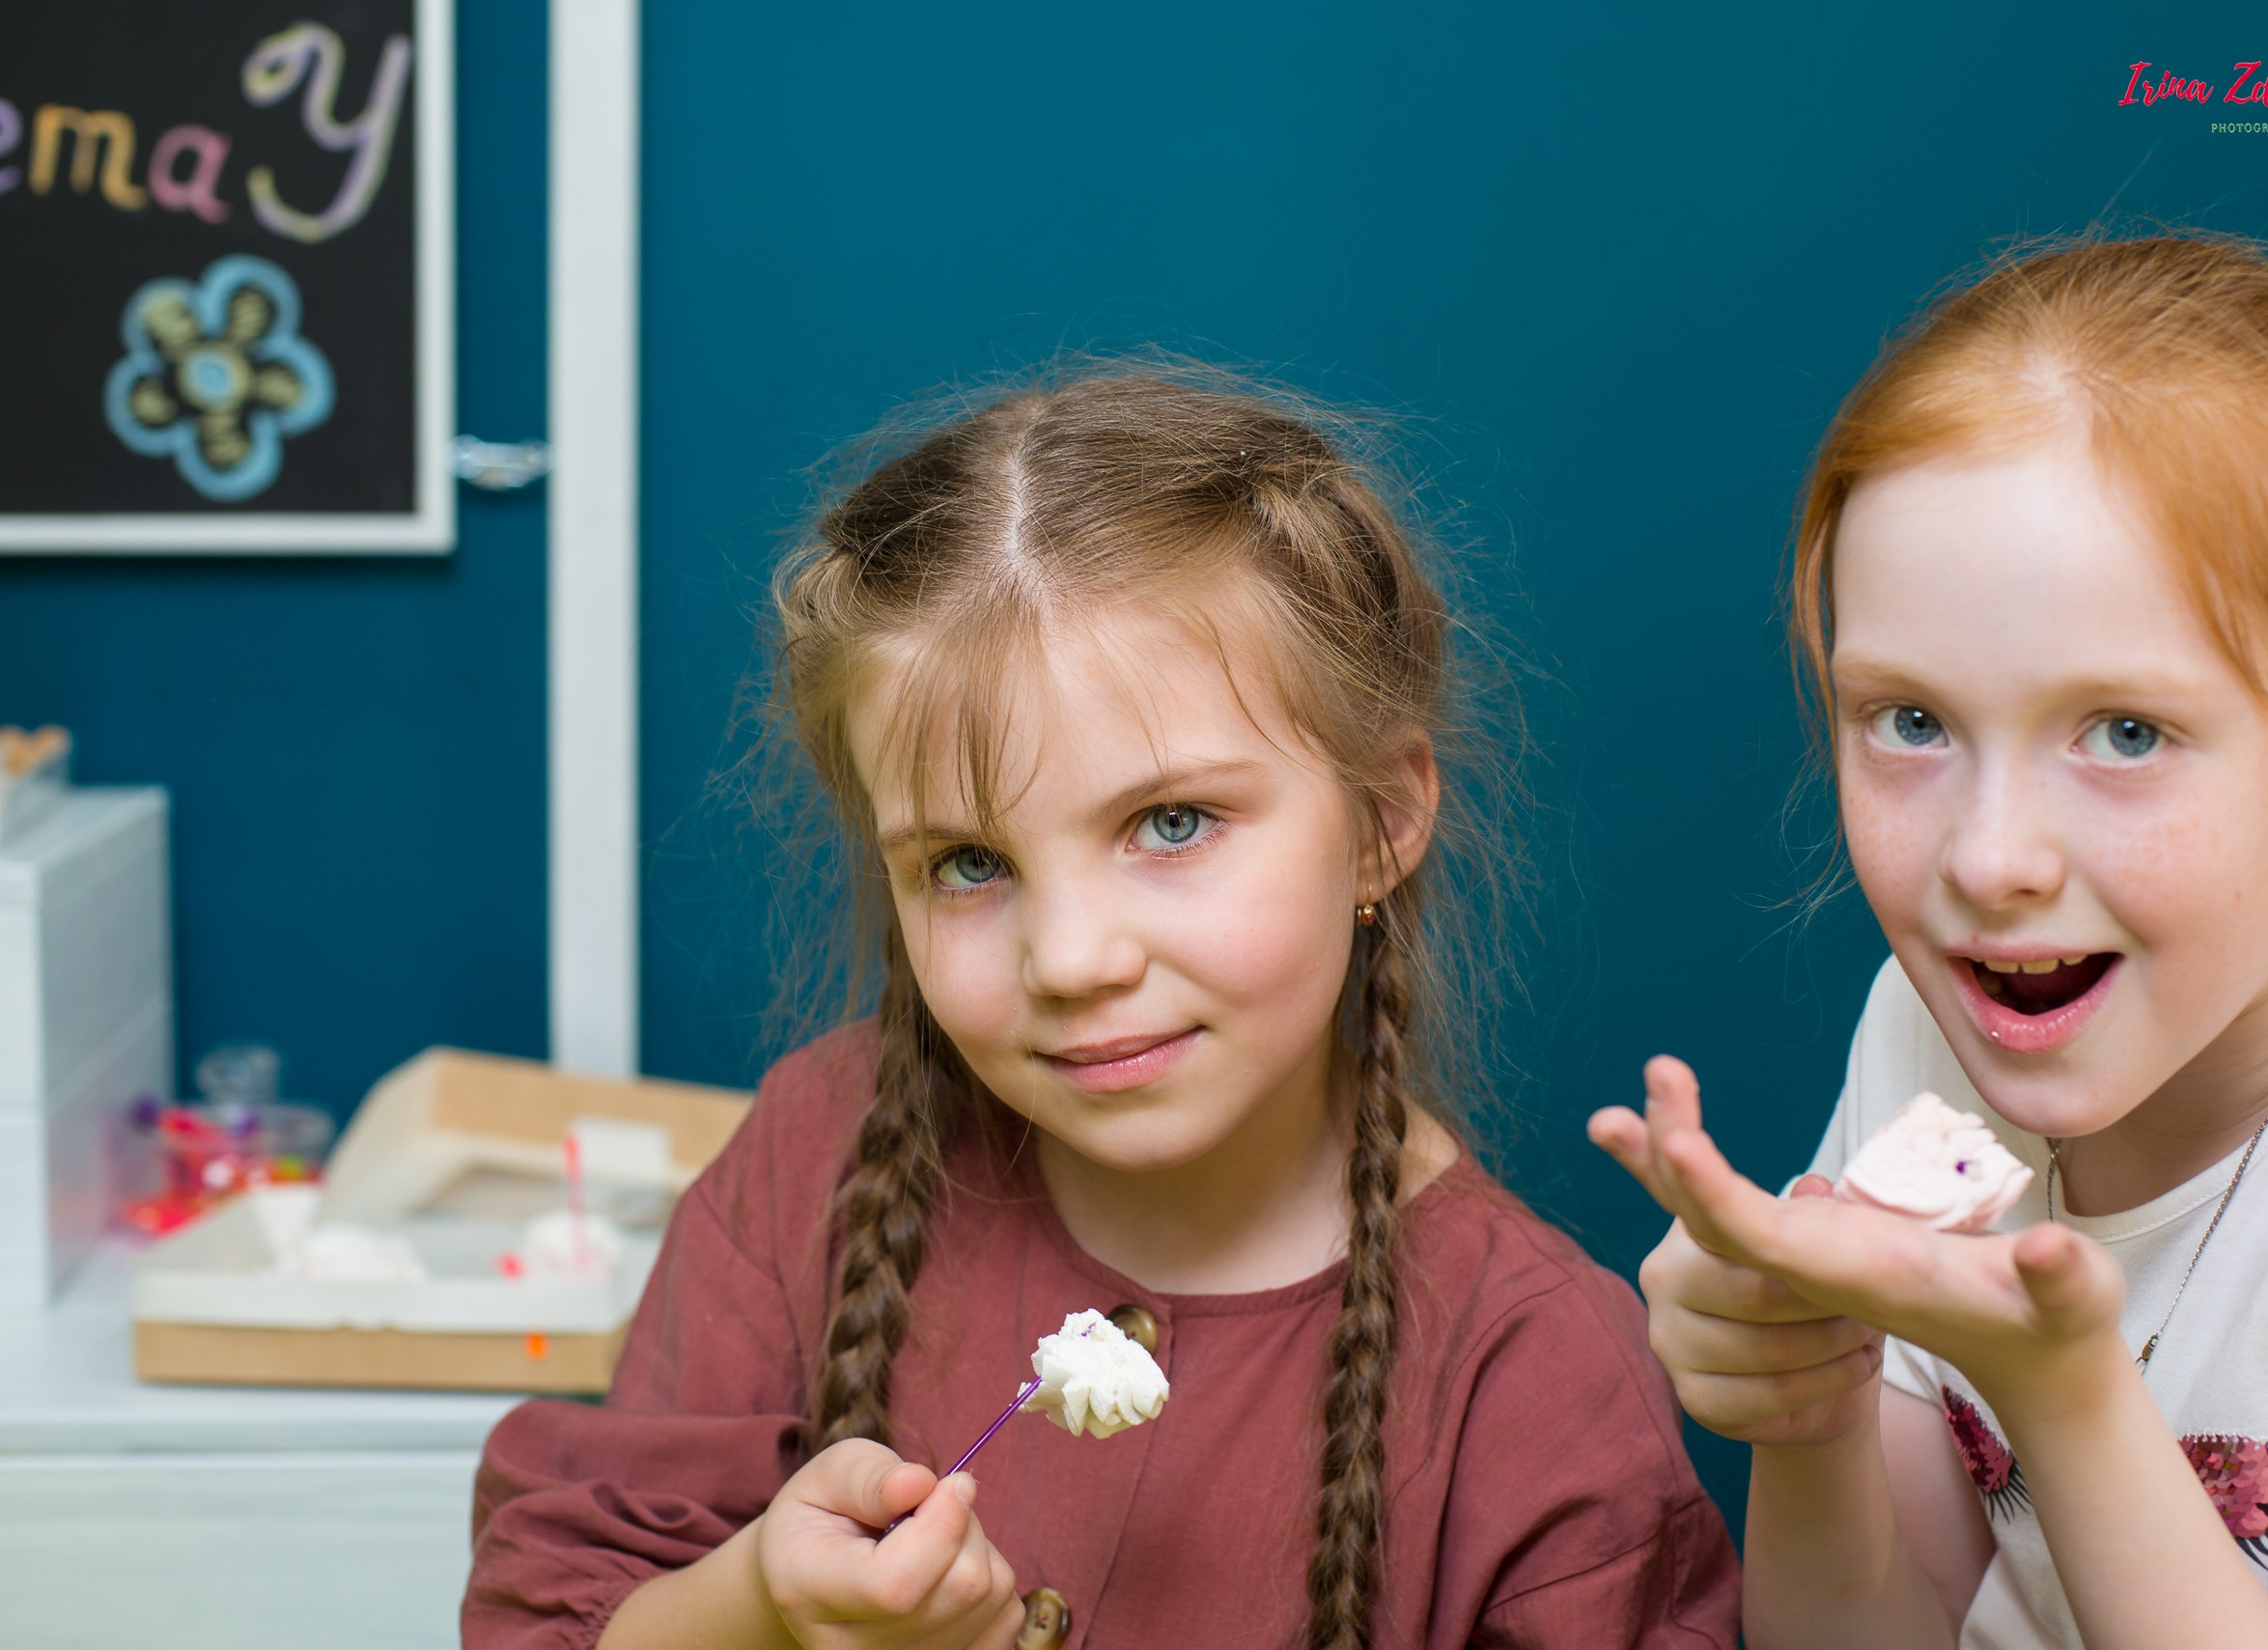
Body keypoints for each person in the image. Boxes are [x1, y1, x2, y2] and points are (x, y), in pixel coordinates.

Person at [466, 365, 1741, 1650]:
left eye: (1170, 823)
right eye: (970, 863)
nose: (1069, 959)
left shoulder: (1540, 1374)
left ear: (1381, 821)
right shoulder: (816, 1155)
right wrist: (760, 1608)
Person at [1591, 235, 2268, 1648]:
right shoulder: (1929, 1028)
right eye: (1912, 722)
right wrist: (1811, 1415)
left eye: (2126, 732)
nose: (1991, 861)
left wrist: (2062, 1396)